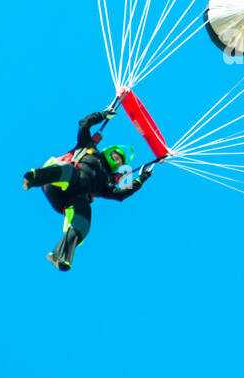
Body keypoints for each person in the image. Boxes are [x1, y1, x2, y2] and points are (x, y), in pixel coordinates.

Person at [23, 107, 153, 271]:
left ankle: (60, 256)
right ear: (110, 151)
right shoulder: (88, 148)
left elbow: (121, 194)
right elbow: (84, 125)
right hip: (57, 183)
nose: (117, 161)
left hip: (68, 201)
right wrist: (102, 115)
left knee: (83, 220)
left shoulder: (106, 183)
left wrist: (141, 179)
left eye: (120, 162)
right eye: (116, 156)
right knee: (70, 171)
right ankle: (33, 178)